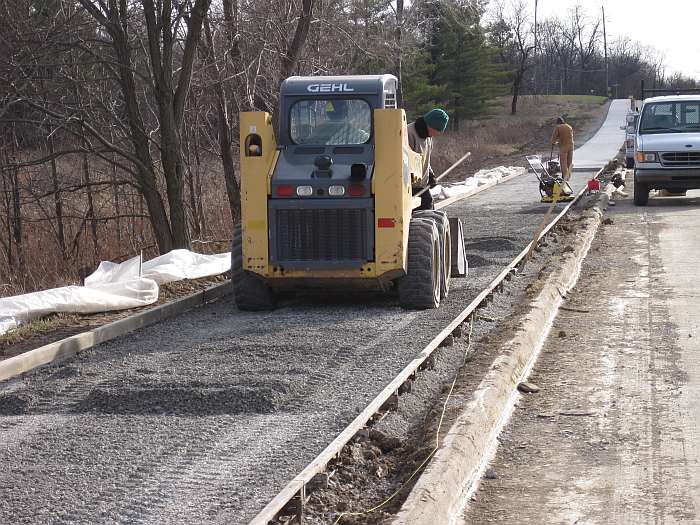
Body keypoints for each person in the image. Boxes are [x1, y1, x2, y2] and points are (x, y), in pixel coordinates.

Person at [407, 108, 449, 210]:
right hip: (409, 187)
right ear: (430, 125)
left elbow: (425, 160)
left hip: (421, 185)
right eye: (437, 131)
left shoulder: (428, 137)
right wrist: (413, 181)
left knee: (430, 209)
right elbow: (405, 162)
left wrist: (430, 175)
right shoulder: (408, 134)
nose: (437, 134)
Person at [551, 116, 574, 181]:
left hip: (564, 147)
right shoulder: (569, 126)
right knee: (569, 162)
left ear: (558, 122)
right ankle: (568, 177)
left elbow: (553, 138)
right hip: (571, 146)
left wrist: (553, 142)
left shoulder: (558, 127)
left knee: (563, 163)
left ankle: (565, 177)